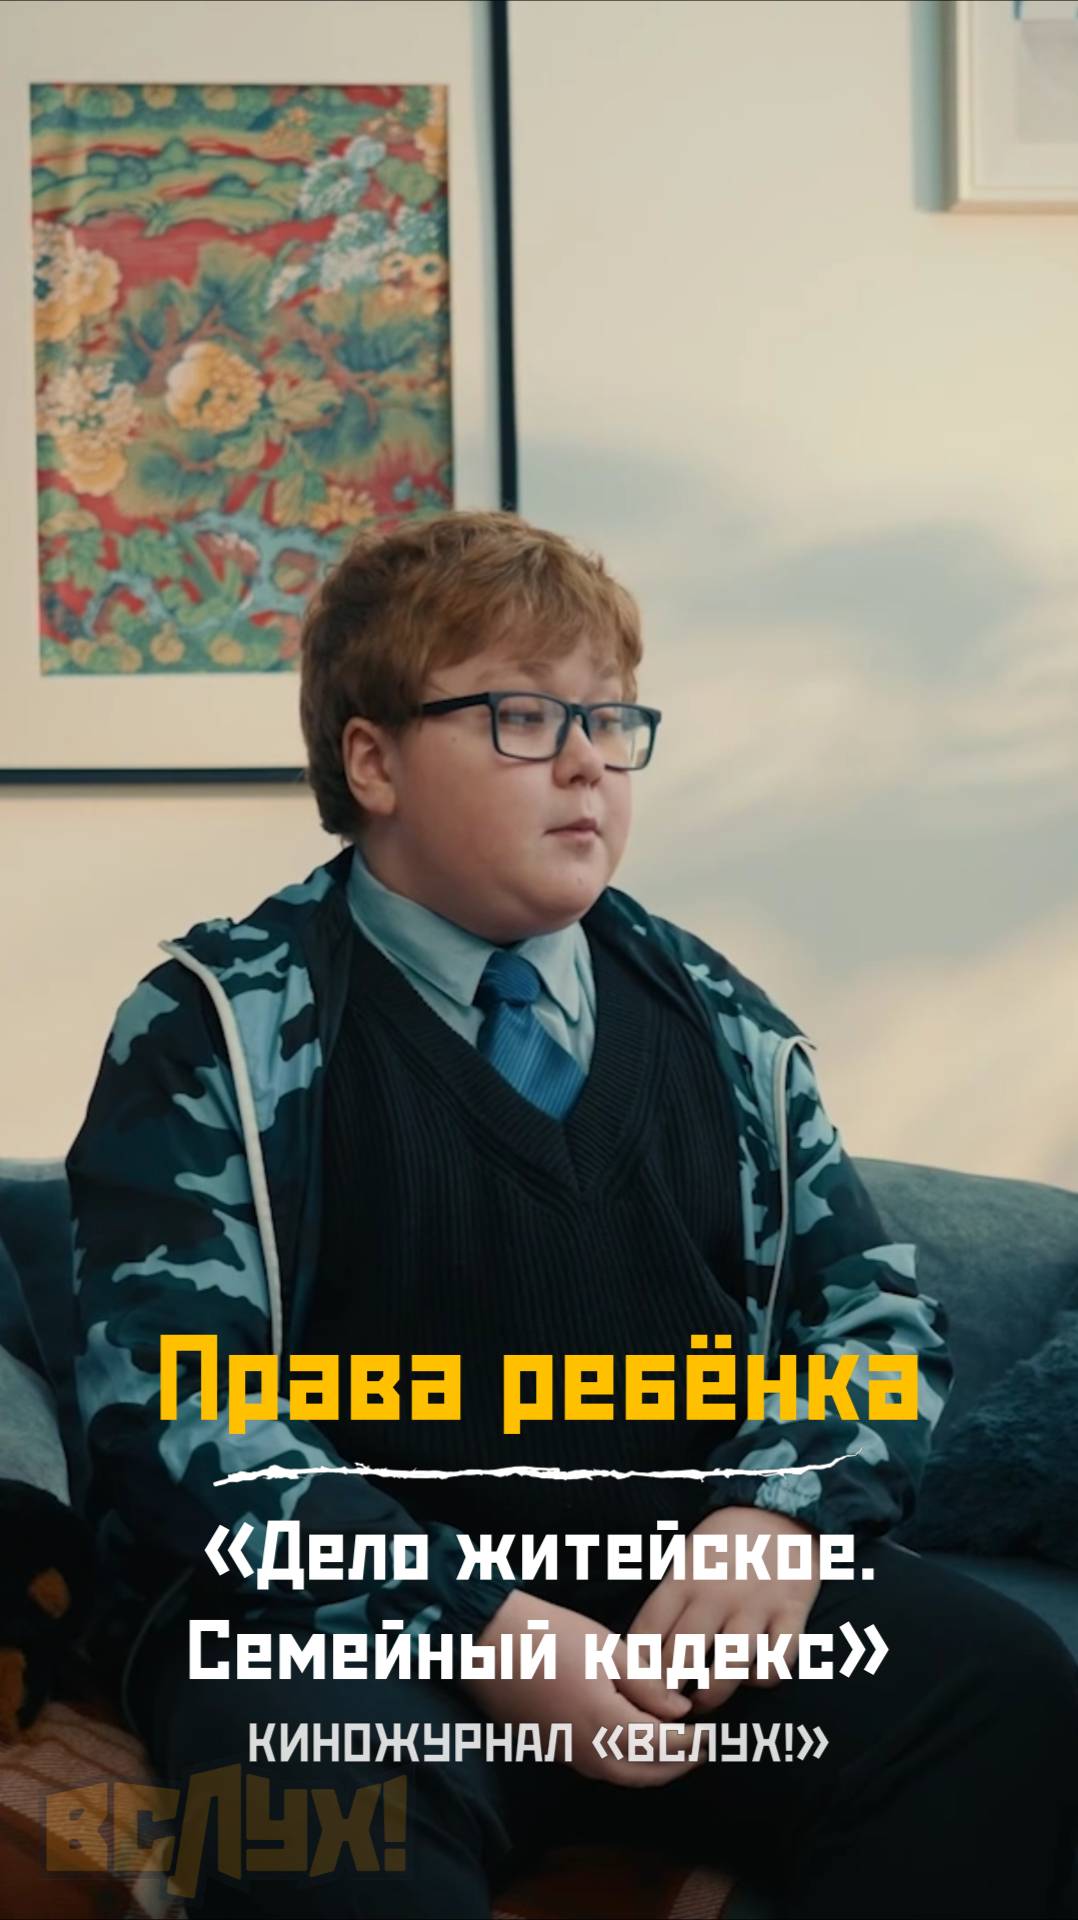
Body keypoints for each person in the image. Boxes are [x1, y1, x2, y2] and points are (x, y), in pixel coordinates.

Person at [67, 511, 1078, 1920]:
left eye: (609, 718)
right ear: (372, 762)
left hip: (671, 1591)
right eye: (525, 716)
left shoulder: (721, 1017)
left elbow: (874, 1314)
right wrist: (474, 1623)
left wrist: (777, 1514)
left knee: (1002, 1694)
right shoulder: (212, 1024)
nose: (589, 759)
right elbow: (174, 1408)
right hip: (347, 1633)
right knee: (297, 1840)